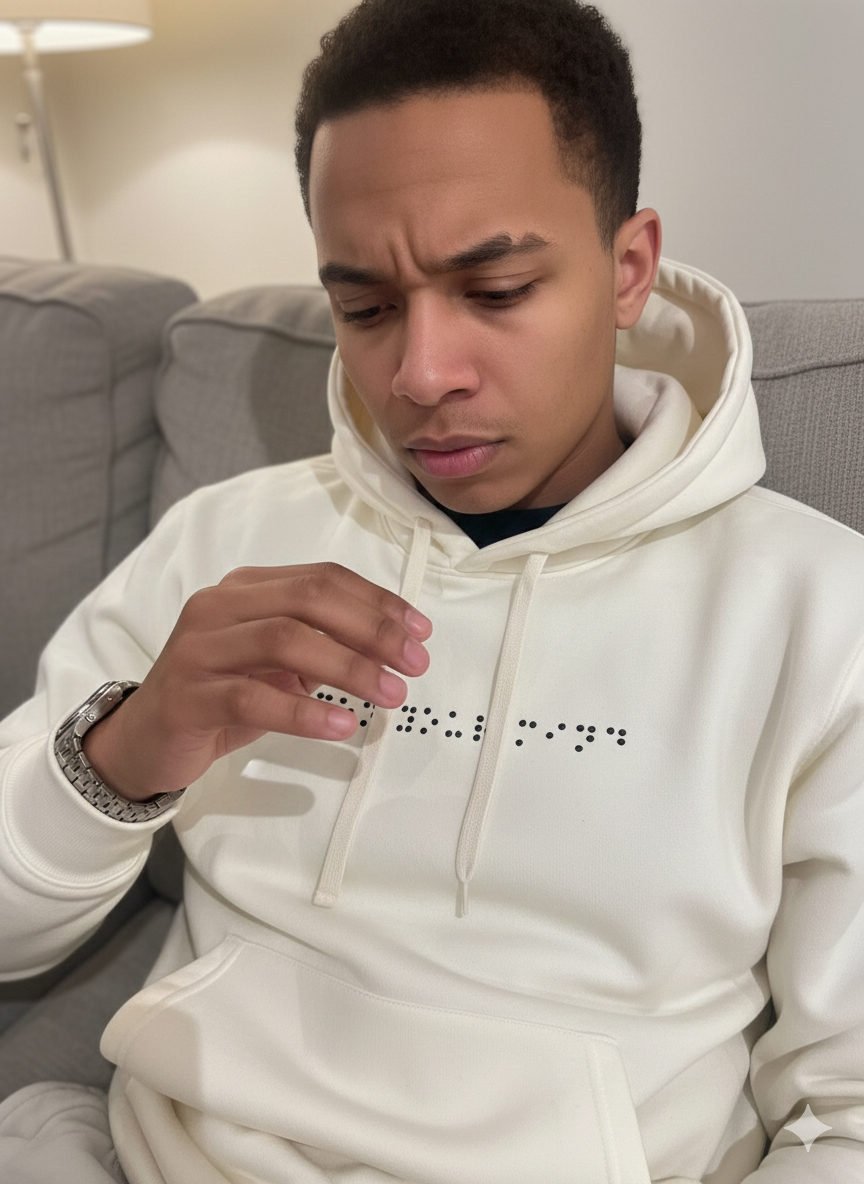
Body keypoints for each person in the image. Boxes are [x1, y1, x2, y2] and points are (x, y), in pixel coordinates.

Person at [1, 0, 864, 1180]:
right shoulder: (226, 541)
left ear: (628, 268)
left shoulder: (817, 611)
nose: (419, 372)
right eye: (362, 307)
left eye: (495, 289)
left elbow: (848, 1109)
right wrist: (126, 750)